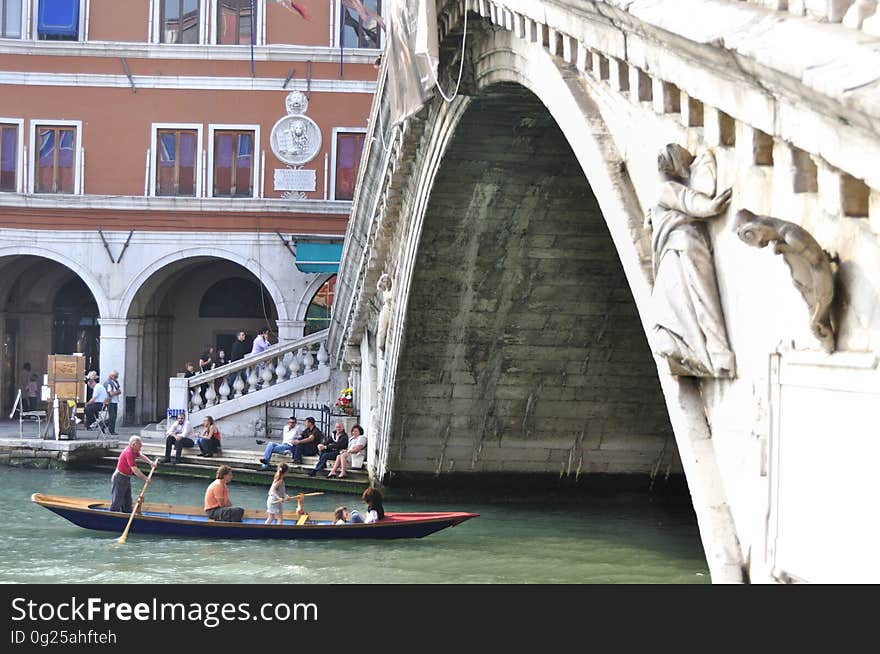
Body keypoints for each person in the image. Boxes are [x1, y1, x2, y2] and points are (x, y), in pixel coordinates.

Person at [649, 143, 735, 378]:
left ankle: (705, 354)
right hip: (683, 248)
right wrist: (711, 206)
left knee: (687, 305)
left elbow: (686, 200)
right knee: (699, 301)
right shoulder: (665, 189)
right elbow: (688, 200)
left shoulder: (660, 193)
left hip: (678, 251)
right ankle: (716, 357)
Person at [110, 436, 158, 513]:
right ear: (134, 444)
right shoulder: (129, 452)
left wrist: (150, 462)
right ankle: (112, 517)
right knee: (117, 501)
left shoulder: (135, 450)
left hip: (126, 478)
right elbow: (135, 470)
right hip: (120, 477)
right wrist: (145, 478)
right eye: (139, 444)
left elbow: (141, 455)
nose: (141, 445)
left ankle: (127, 514)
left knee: (128, 502)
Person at [104, 370, 121, 435]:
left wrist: (117, 392)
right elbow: (111, 393)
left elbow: (118, 391)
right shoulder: (109, 383)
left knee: (114, 416)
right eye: (115, 376)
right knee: (112, 416)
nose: (116, 378)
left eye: (117, 376)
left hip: (115, 401)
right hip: (110, 401)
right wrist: (118, 392)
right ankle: (111, 431)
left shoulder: (115, 382)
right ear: (111, 376)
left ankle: (103, 425)